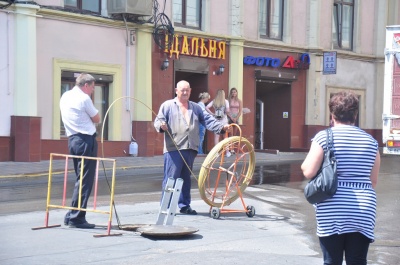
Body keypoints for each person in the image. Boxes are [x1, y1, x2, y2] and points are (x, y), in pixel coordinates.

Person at [301, 91, 380, 265]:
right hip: (364, 209)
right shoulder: (371, 142)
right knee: (358, 261)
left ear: (332, 114)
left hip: (332, 206)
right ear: (355, 115)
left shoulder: (324, 137)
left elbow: (308, 171)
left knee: (332, 261)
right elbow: (373, 181)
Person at [154, 81, 230, 215]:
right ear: (176, 90)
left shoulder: (196, 107)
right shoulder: (167, 105)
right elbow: (158, 120)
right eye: (182, 90)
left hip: (191, 148)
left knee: (185, 178)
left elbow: (208, 120)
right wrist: (162, 125)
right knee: (171, 178)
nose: (185, 92)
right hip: (174, 148)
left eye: (187, 90)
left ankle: (184, 205)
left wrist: (221, 127)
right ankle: (165, 207)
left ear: (190, 91)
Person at [60, 73, 100, 229]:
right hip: (85, 140)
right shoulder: (84, 98)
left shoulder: (66, 95)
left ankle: (71, 215)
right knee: (85, 180)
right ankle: (77, 217)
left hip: (73, 140)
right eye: (92, 87)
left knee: (80, 179)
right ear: (86, 85)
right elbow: (96, 118)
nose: (92, 90)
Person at [206, 89, 230, 155]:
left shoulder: (214, 101)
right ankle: (227, 152)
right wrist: (226, 112)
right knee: (225, 136)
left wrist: (212, 114)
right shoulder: (226, 101)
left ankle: (217, 152)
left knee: (216, 137)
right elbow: (227, 111)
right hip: (224, 120)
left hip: (216, 120)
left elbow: (206, 107)